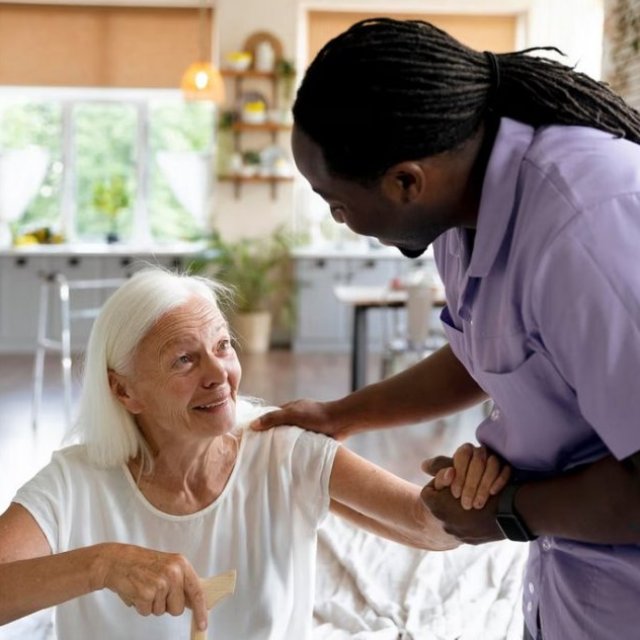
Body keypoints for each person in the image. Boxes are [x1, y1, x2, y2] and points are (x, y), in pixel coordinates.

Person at [251, 16, 640, 640]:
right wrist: (340, 415)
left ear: (406, 181)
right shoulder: (461, 218)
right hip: (574, 586)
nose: (338, 218)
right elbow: (483, 353)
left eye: (336, 202)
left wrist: (507, 514)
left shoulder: (588, 230)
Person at [0, 267, 506, 640]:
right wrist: (102, 565)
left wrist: (462, 494)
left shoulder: (282, 450)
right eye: (183, 359)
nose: (218, 373)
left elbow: (425, 525)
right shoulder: (74, 479)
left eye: (222, 346)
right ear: (124, 391)